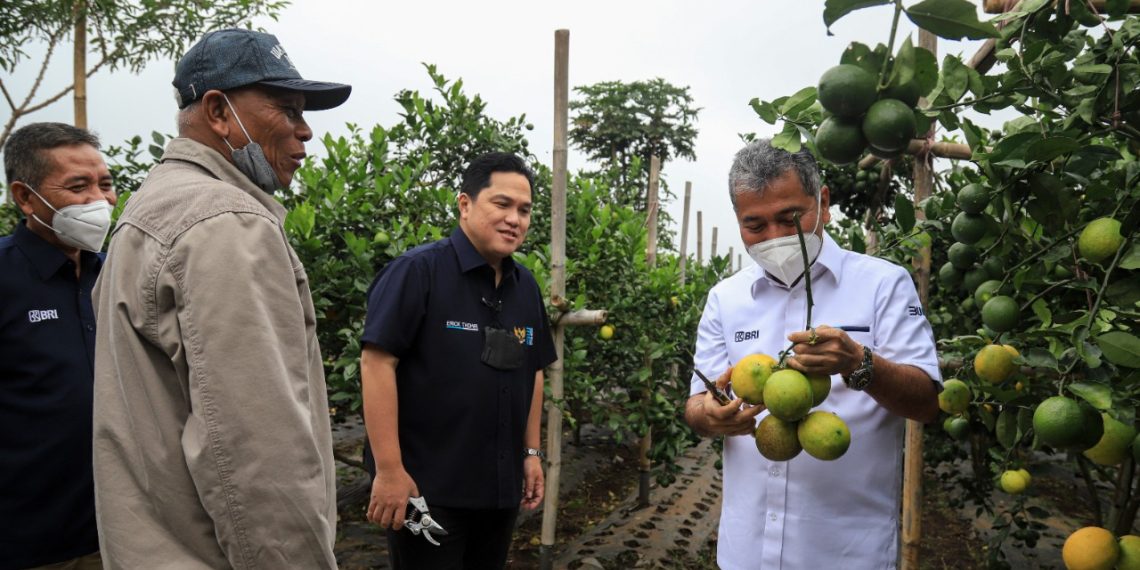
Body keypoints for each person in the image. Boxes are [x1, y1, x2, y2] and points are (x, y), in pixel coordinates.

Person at [91, 29, 351, 568]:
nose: (305, 132)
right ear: (218, 111)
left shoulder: (149, 207)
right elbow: (258, 457)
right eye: (287, 109)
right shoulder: (226, 224)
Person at [683, 139, 941, 569]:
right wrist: (709, 416)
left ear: (822, 202)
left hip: (846, 552)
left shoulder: (883, 285)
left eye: (790, 218)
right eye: (755, 225)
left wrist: (859, 363)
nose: (776, 237)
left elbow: (928, 402)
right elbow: (695, 405)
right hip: (745, 551)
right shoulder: (725, 299)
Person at [360, 152, 556, 569]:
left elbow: (533, 370)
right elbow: (377, 364)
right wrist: (389, 470)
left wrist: (532, 454)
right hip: (427, 492)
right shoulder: (418, 272)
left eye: (524, 210)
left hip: (499, 491)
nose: (514, 219)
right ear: (465, 204)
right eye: (501, 204)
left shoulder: (526, 288)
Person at [1, 122, 115, 570]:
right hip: (29, 543)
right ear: (26, 197)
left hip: (118, 534)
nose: (100, 201)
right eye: (78, 186)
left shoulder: (114, 276)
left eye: (105, 184)